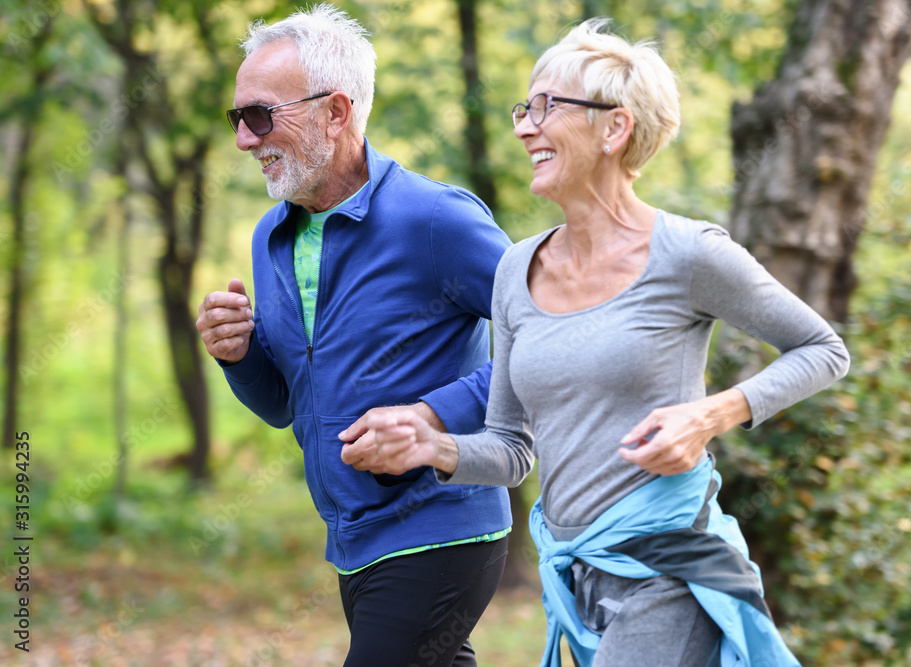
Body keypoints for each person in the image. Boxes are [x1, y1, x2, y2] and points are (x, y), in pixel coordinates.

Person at [367, 18, 851, 667]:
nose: (523, 127)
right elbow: (513, 450)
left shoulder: (687, 255)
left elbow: (823, 349)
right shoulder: (517, 268)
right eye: (523, 108)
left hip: (668, 566)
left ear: (614, 128)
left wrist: (712, 413)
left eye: (545, 107)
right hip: (576, 576)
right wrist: (436, 447)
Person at [194, 6, 513, 666]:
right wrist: (238, 353)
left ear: (336, 113)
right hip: (352, 537)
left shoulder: (436, 220)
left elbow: (544, 336)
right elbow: (285, 403)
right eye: (237, 119)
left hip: (440, 526)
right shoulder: (271, 235)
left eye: (260, 116)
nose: (244, 141)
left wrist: (431, 415)